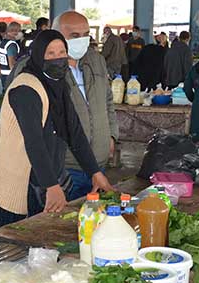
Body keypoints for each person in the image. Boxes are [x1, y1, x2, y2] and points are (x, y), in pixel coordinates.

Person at [0, 30, 115, 231]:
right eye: (50, 54)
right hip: (19, 185)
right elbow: (34, 142)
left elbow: (75, 132)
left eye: (62, 52)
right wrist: (52, 186)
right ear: (38, 56)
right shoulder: (25, 89)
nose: (58, 58)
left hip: (44, 180)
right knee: (8, 250)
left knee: (40, 250)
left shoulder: (57, 86)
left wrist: (94, 172)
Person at [11, 11, 119, 200]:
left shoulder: (96, 60)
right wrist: (51, 183)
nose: (82, 41)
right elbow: (33, 136)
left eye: (86, 35)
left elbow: (108, 101)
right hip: (63, 167)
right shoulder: (36, 70)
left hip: (96, 164)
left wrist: (111, 135)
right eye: (74, 36)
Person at [0, 22, 22, 89]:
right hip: (10, 76)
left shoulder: (3, 42)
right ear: (14, 31)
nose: (20, 33)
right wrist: (16, 77)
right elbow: (12, 63)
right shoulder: (12, 45)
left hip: (3, 74)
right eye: (19, 30)